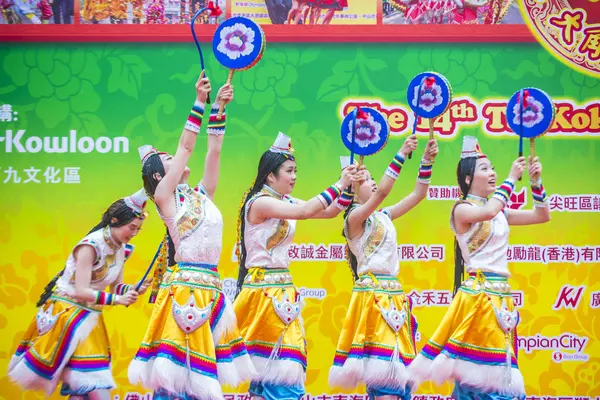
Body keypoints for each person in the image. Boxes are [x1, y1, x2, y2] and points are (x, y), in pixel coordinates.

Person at [129, 72, 256, 400]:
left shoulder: (200, 195)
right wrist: (199, 102)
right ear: (159, 174)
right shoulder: (164, 197)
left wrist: (219, 108)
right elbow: (187, 146)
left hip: (210, 290)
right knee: (175, 382)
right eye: (168, 161)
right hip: (185, 292)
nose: (177, 160)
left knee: (200, 382)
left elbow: (213, 152)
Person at [408, 136, 551, 400]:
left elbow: (542, 216)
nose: (493, 173)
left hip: (500, 299)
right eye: (485, 169)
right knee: (480, 374)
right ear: (467, 179)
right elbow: (488, 212)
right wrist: (511, 178)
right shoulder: (462, 209)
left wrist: (535, 181)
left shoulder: (499, 212)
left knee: (490, 371)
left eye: (493, 168)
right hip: (478, 297)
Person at [233, 132, 358, 400]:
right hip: (264, 296)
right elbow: (306, 211)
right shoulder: (260, 203)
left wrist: (348, 187)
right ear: (270, 176)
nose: (294, 176)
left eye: (295, 171)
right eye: (289, 171)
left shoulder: (283, 201)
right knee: (282, 373)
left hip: (280, 293)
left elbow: (328, 212)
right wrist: (339, 182)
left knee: (266, 379)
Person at [8, 189, 151, 399]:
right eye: (131, 227)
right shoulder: (90, 247)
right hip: (69, 316)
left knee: (83, 389)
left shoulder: (120, 247)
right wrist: (117, 299)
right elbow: (82, 291)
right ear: (114, 220)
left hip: (89, 318)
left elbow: (114, 287)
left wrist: (133, 288)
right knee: (94, 386)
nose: (134, 233)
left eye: (138, 230)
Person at [329, 135, 438, 400]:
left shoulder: (384, 216)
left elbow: (418, 194)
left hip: (395, 298)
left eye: (370, 176)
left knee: (400, 380)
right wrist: (401, 153)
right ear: (352, 190)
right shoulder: (353, 219)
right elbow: (383, 193)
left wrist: (426, 161)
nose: (372, 181)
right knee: (385, 377)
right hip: (375, 301)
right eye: (365, 178)